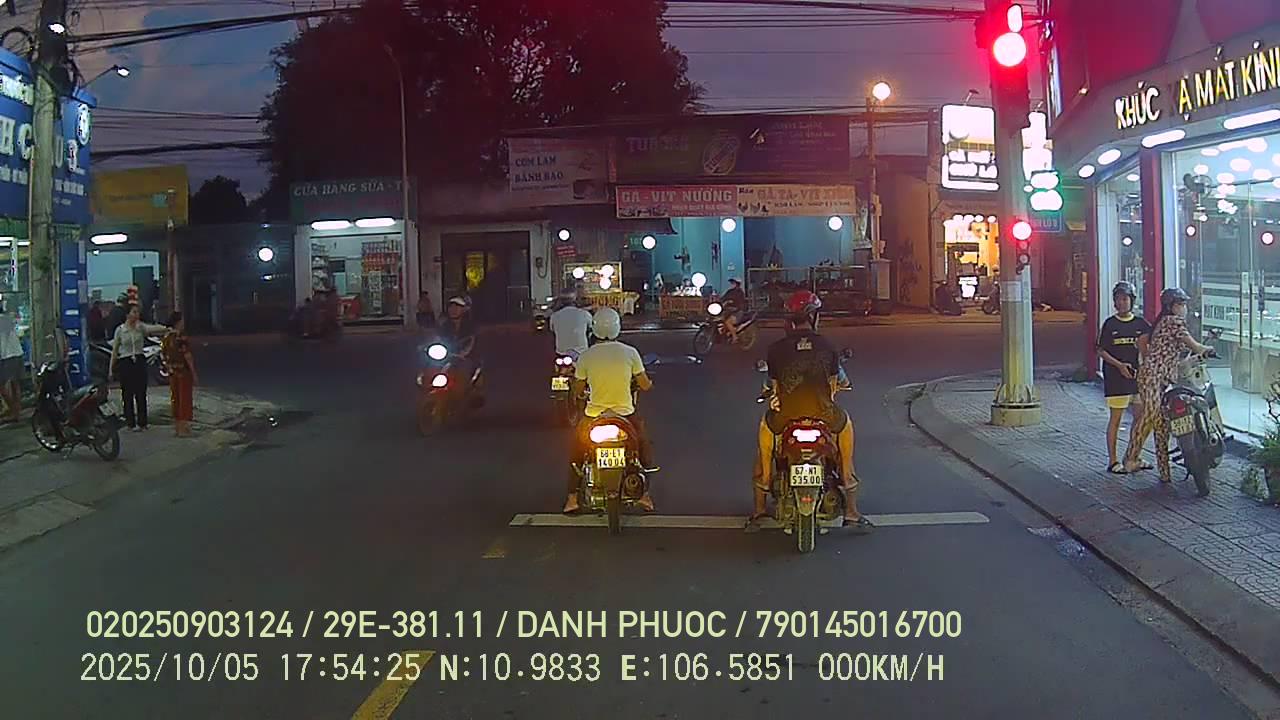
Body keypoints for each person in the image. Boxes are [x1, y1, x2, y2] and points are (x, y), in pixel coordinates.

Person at [748, 290, 870, 532]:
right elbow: (839, 382)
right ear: (813, 316)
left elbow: (771, 385)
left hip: (785, 416)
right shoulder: (828, 346)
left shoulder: (776, 349)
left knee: (764, 444)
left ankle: (760, 505)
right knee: (846, 430)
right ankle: (851, 506)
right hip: (825, 415)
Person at [564, 307, 654, 514]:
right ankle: (645, 495)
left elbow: (578, 389)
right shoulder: (630, 352)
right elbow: (644, 383)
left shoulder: (586, 356)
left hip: (594, 415)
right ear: (617, 327)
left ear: (594, 328)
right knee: (642, 448)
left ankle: (572, 498)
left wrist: (582, 392)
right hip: (625, 414)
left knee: (577, 453)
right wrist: (648, 385)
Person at [1122, 288, 1216, 481]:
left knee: (1161, 425)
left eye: (1184, 304)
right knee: (1150, 416)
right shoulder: (1173, 321)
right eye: (1180, 304)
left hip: (1158, 378)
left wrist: (1151, 359)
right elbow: (1194, 345)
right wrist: (1205, 349)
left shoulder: (1162, 322)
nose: (1183, 308)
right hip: (1153, 377)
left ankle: (1164, 472)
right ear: (1170, 306)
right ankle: (1130, 459)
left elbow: (1161, 350)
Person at [1098, 281, 1152, 474]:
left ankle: (1133, 456)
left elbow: (1149, 345)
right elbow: (1101, 350)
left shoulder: (1141, 324)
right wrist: (1119, 366)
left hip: (1137, 379)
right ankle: (1113, 461)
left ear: (1132, 301)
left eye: (1125, 299)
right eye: (1118, 299)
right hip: (1116, 379)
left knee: (1140, 418)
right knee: (1116, 419)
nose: (1122, 303)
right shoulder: (1110, 324)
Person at [109, 304, 167, 431]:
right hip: (125, 362)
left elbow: (153, 329)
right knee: (127, 394)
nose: (136, 315)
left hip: (139, 361)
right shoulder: (120, 330)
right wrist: (111, 369)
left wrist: (166, 328)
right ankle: (130, 423)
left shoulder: (140, 327)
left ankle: (142, 423)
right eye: (134, 312)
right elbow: (115, 350)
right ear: (127, 314)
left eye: (137, 312)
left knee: (141, 393)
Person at [161, 312, 198, 437]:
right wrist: (194, 372)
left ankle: (177, 427)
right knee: (184, 399)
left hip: (173, 372)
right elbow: (187, 355)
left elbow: (164, 355)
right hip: (183, 371)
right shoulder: (180, 337)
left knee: (175, 398)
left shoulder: (166, 337)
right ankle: (183, 428)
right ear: (178, 322)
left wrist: (169, 367)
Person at [437, 296, 482, 396]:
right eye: (451, 307)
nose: (453, 310)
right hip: (447, 357)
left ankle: (463, 394)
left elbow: (471, 342)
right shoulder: (444, 326)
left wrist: (463, 353)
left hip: (466, 358)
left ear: (463, 310)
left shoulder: (470, 326)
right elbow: (438, 339)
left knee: (463, 373)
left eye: (456, 307)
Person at [549, 289, 593, 358]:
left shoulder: (554, 316)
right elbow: (590, 328)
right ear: (575, 299)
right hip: (581, 351)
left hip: (561, 351)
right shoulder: (584, 314)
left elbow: (552, 330)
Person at [0, 298, 22, 422]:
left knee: (3, 385)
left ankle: (13, 411)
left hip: (9, 355)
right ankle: (15, 411)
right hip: (16, 353)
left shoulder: (3, 320)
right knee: (15, 384)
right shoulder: (7, 318)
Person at [720, 277, 747, 343]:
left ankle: (735, 337)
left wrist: (731, 302)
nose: (732, 284)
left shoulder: (740, 292)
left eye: (733, 283)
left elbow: (740, 302)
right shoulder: (730, 291)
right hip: (728, 311)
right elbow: (723, 298)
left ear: (737, 284)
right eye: (732, 283)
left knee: (727, 322)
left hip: (738, 312)